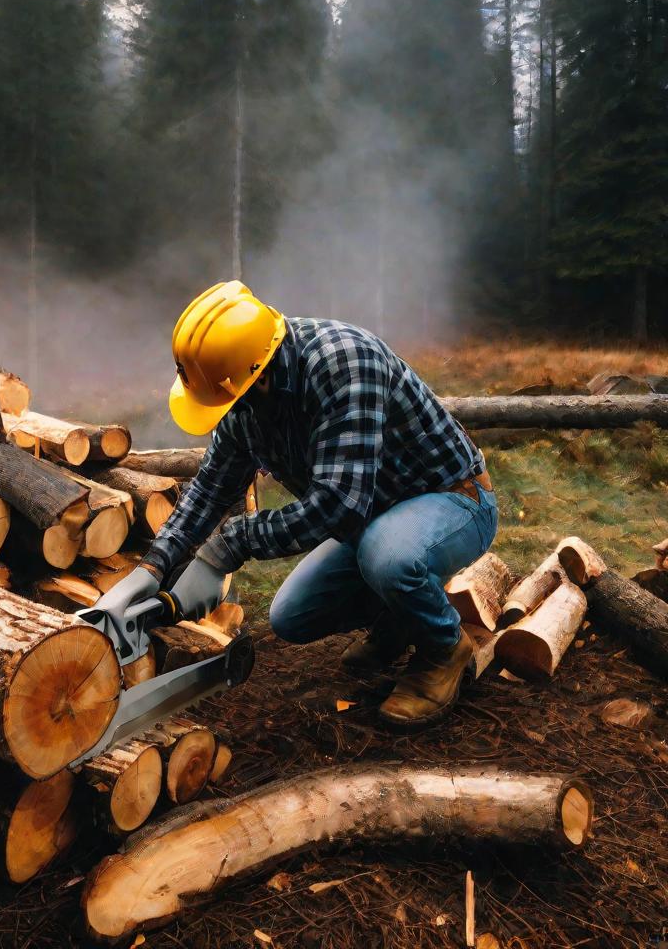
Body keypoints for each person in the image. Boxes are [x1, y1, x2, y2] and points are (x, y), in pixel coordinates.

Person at [94, 280, 498, 728]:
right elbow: (210, 489)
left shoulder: (345, 364)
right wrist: (152, 569)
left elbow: (338, 504)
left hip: (453, 501)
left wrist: (232, 544)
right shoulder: (247, 401)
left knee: (390, 558)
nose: (227, 410)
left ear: (258, 375)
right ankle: (398, 621)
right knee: (293, 616)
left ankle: (445, 648)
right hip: (373, 521)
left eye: (229, 398)